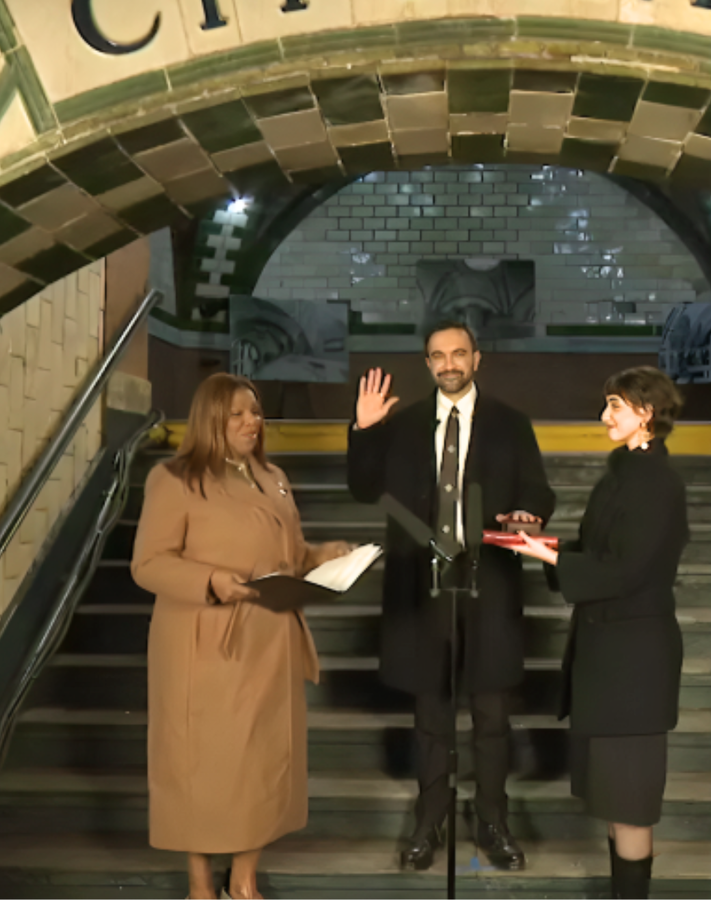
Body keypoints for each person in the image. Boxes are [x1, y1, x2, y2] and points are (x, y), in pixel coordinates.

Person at [131, 372, 353, 900]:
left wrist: (320, 556)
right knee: (202, 765)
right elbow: (148, 564)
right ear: (211, 419)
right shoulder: (174, 479)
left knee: (259, 763)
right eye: (237, 414)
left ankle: (244, 880)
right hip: (206, 642)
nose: (252, 422)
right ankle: (200, 885)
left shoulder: (272, 477)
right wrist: (211, 580)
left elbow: (287, 554)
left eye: (255, 412)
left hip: (269, 639)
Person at [346, 320, 555, 871]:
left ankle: (493, 822)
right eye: (438, 356)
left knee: (492, 717)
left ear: (477, 359)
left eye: (458, 353)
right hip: (423, 589)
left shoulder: (511, 423)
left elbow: (539, 490)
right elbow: (364, 488)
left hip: (490, 586)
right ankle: (429, 821)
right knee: (432, 717)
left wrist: (531, 513)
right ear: (428, 364)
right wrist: (365, 429)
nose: (449, 364)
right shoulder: (402, 424)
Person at [503, 366, 690, 900]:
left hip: (633, 668)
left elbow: (626, 570)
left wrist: (548, 556)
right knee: (615, 801)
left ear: (645, 412)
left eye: (615, 405)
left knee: (629, 804)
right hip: (609, 661)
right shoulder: (624, 473)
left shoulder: (656, 483)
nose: (604, 415)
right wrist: (540, 541)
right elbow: (598, 553)